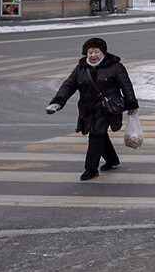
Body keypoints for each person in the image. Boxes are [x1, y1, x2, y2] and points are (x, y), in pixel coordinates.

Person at [46, 37, 137, 181]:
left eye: (97, 52)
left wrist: (131, 104)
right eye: (90, 52)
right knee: (99, 134)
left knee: (96, 135)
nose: (93, 55)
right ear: (85, 53)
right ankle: (112, 159)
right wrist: (57, 102)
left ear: (103, 52)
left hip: (107, 109)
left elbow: (126, 86)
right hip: (87, 109)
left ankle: (91, 169)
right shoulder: (81, 68)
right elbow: (68, 85)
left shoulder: (115, 67)